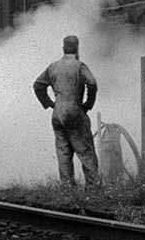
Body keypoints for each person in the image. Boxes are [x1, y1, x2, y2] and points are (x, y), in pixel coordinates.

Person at [34, 34, 100, 186]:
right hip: (75, 111)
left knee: (63, 152)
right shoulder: (79, 66)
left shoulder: (53, 67)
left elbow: (38, 85)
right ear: (77, 48)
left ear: (63, 48)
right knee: (85, 151)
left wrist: (49, 103)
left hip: (58, 114)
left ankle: (67, 187)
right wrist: (88, 105)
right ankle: (93, 187)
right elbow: (92, 84)